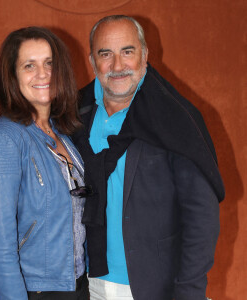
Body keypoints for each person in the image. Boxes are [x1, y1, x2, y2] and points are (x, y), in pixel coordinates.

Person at [72, 15, 225, 300]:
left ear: (144, 55)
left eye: (127, 52)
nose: (118, 66)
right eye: (106, 54)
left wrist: (189, 291)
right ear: (92, 60)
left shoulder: (176, 118)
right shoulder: (71, 112)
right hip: (87, 285)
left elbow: (201, 216)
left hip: (157, 287)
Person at [0, 27, 90, 300]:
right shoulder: (4, 139)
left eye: (50, 64)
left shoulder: (61, 133)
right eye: (29, 65)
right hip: (33, 290)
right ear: (12, 76)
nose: (43, 74)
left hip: (74, 284)